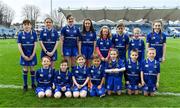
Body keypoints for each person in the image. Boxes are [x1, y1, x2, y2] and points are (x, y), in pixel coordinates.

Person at [17, 19, 37, 91]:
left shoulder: (34, 34)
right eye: (25, 25)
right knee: (25, 69)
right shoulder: (20, 34)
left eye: (28, 24)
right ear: (23, 26)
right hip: (24, 55)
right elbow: (19, 46)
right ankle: (25, 85)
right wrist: (23, 55)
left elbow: (35, 45)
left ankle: (33, 84)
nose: (26, 26)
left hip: (32, 54)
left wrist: (33, 54)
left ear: (30, 25)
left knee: (32, 68)